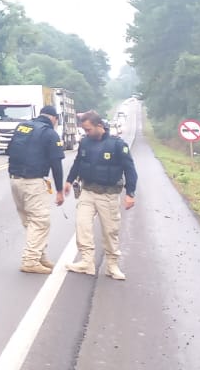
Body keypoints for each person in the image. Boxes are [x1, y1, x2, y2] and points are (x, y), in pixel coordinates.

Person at [64, 110, 138, 280]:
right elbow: (78, 163)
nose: (86, 133)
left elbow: (130, 169)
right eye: (84, 130)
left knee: (110, 231)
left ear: (99, 126)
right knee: (82, 225)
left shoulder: (118, 145)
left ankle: (112, 265)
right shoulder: (85, 143)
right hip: (87, 192)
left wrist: (130, 193)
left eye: (88, 129)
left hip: (108, 195)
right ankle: (86, 262)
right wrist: (69, 181)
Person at [6, 104, 66, 274]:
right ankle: (30, 260)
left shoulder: (22, 127)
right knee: (40, 221)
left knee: (30, 221)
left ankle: (39, 255)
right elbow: (56, 164)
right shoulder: (49, 133)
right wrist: (59, 190)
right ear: (53, 118)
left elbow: (9, 151)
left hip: (15, 181)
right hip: (32, 182)